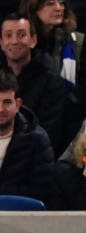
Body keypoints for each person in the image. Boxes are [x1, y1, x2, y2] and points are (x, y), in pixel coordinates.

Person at [0, 13, 67, 154]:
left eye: (21, 35)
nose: (14, 41)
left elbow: (50, 131)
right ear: (1, 43)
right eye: (8, 35)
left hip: (32, 157)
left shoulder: (51, 80)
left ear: (33, 41)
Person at [0, 68, 55, 206]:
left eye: (7, 102)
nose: (1, 109)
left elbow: (42, 191)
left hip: (21, 219)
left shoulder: (37, 140)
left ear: (17, 104)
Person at [18, 0, 86, 90]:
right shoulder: (18, 42)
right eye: (50, 4)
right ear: (33, 9)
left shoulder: (77, 42)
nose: (59, 8)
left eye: (61, 3)